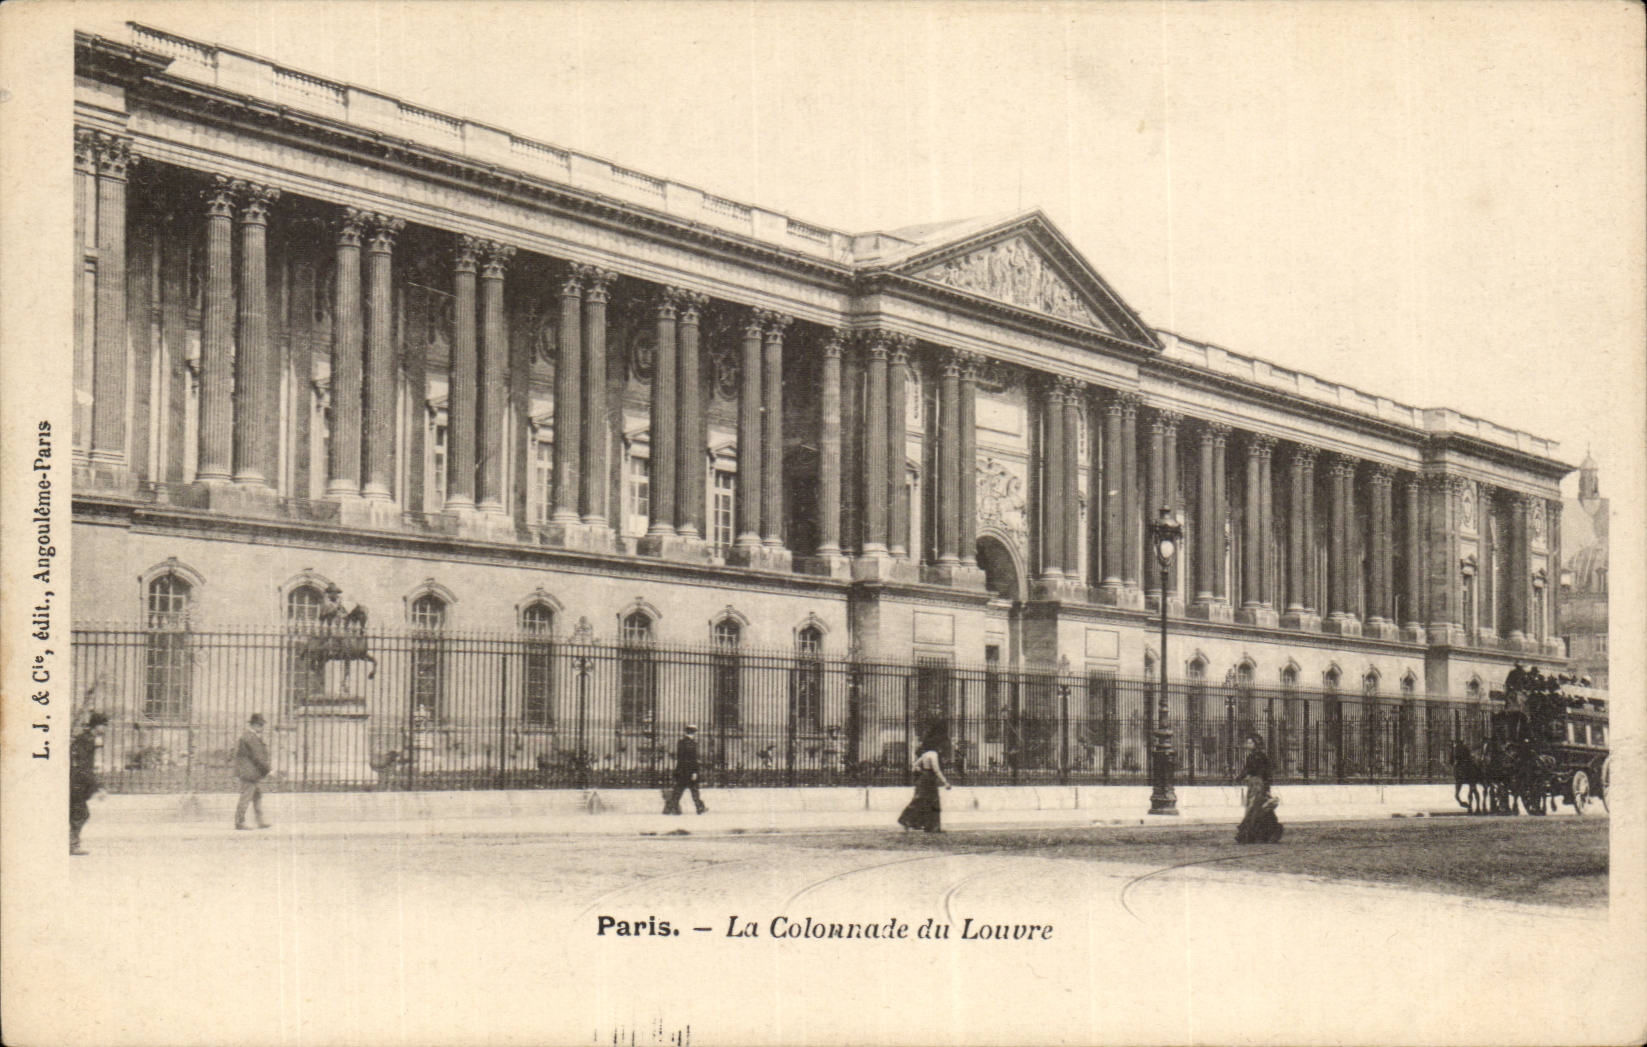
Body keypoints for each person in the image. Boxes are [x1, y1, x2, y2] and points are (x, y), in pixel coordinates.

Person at [69, 711, 109, 856]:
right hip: (76, 783)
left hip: (77, 782)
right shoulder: (87, 740)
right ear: (96, 726)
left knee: (77, 813)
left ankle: (71, 843)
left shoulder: (85, 738)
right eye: (103, 725)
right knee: (81, 814)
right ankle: (72, 845)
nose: (104, 729)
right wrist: (97, 787)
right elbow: (84, 766)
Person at [1234, 733, 1283, 844]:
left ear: (1256, 744)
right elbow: (1247, 770)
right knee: (1259, 809)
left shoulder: (1261, 756)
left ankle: (1251, 835)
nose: (1248, 744)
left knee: (1255, 808)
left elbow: (1266, 772)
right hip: (1253, 784)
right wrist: (1239, 777)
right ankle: (1268, 832)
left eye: (1250, 742)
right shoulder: (1251, 756)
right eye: (1248, 742)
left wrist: (1266, 787)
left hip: (1259, 785)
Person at [897, 738, 952, 833]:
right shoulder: (933, 755)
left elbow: (914, 766)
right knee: (933, 802)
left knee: (919, 800)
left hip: (923, 779)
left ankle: (906, 820)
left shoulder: (925, 754)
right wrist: (945, 782)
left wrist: (922, 772)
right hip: (930, 780)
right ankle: (932, 826)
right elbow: (936, 770)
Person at [234, 713, 273, 830]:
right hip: (249, 773)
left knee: (257, 796)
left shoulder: (248, 736)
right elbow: (258, 757)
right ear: (256, 725)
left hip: (251, 772)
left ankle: (260, 821)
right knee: (246, 797)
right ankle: (239, 822)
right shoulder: (250, 737)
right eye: (261, 725)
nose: (262, 728)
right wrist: (268, 770)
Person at [663, 724, 707, 815]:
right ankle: (699, 808)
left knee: (678, 791)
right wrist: (694, 771)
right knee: (694, 791)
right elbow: (692, 759)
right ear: (693, 732)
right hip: (689, 772)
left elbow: (681, 758)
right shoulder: (692, 744)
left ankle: (670, 808)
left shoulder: (681, 742)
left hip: (681, 771)